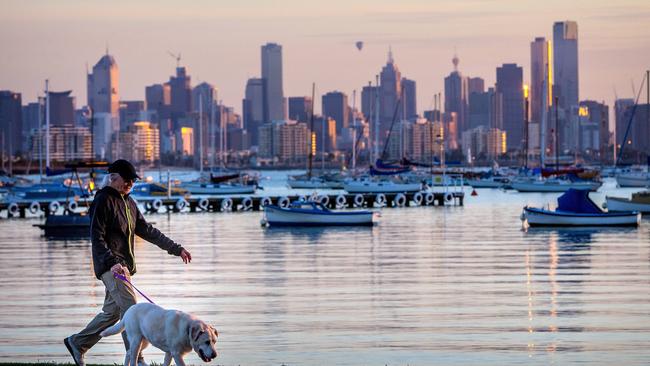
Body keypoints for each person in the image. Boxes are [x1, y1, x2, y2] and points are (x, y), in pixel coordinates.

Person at [64, 159, 192, 366]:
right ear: (114, 178)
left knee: (112, 313)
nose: (130, 183)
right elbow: (97, 236)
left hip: (123, 268)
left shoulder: (129, 202)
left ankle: (78, 343)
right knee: (132, 310)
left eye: (133, 180)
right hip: (111, 267)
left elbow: (148, 231)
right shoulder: (103, 199)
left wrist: (176, 249)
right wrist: (112, 261)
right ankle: (137, 358)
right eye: (127, 179)